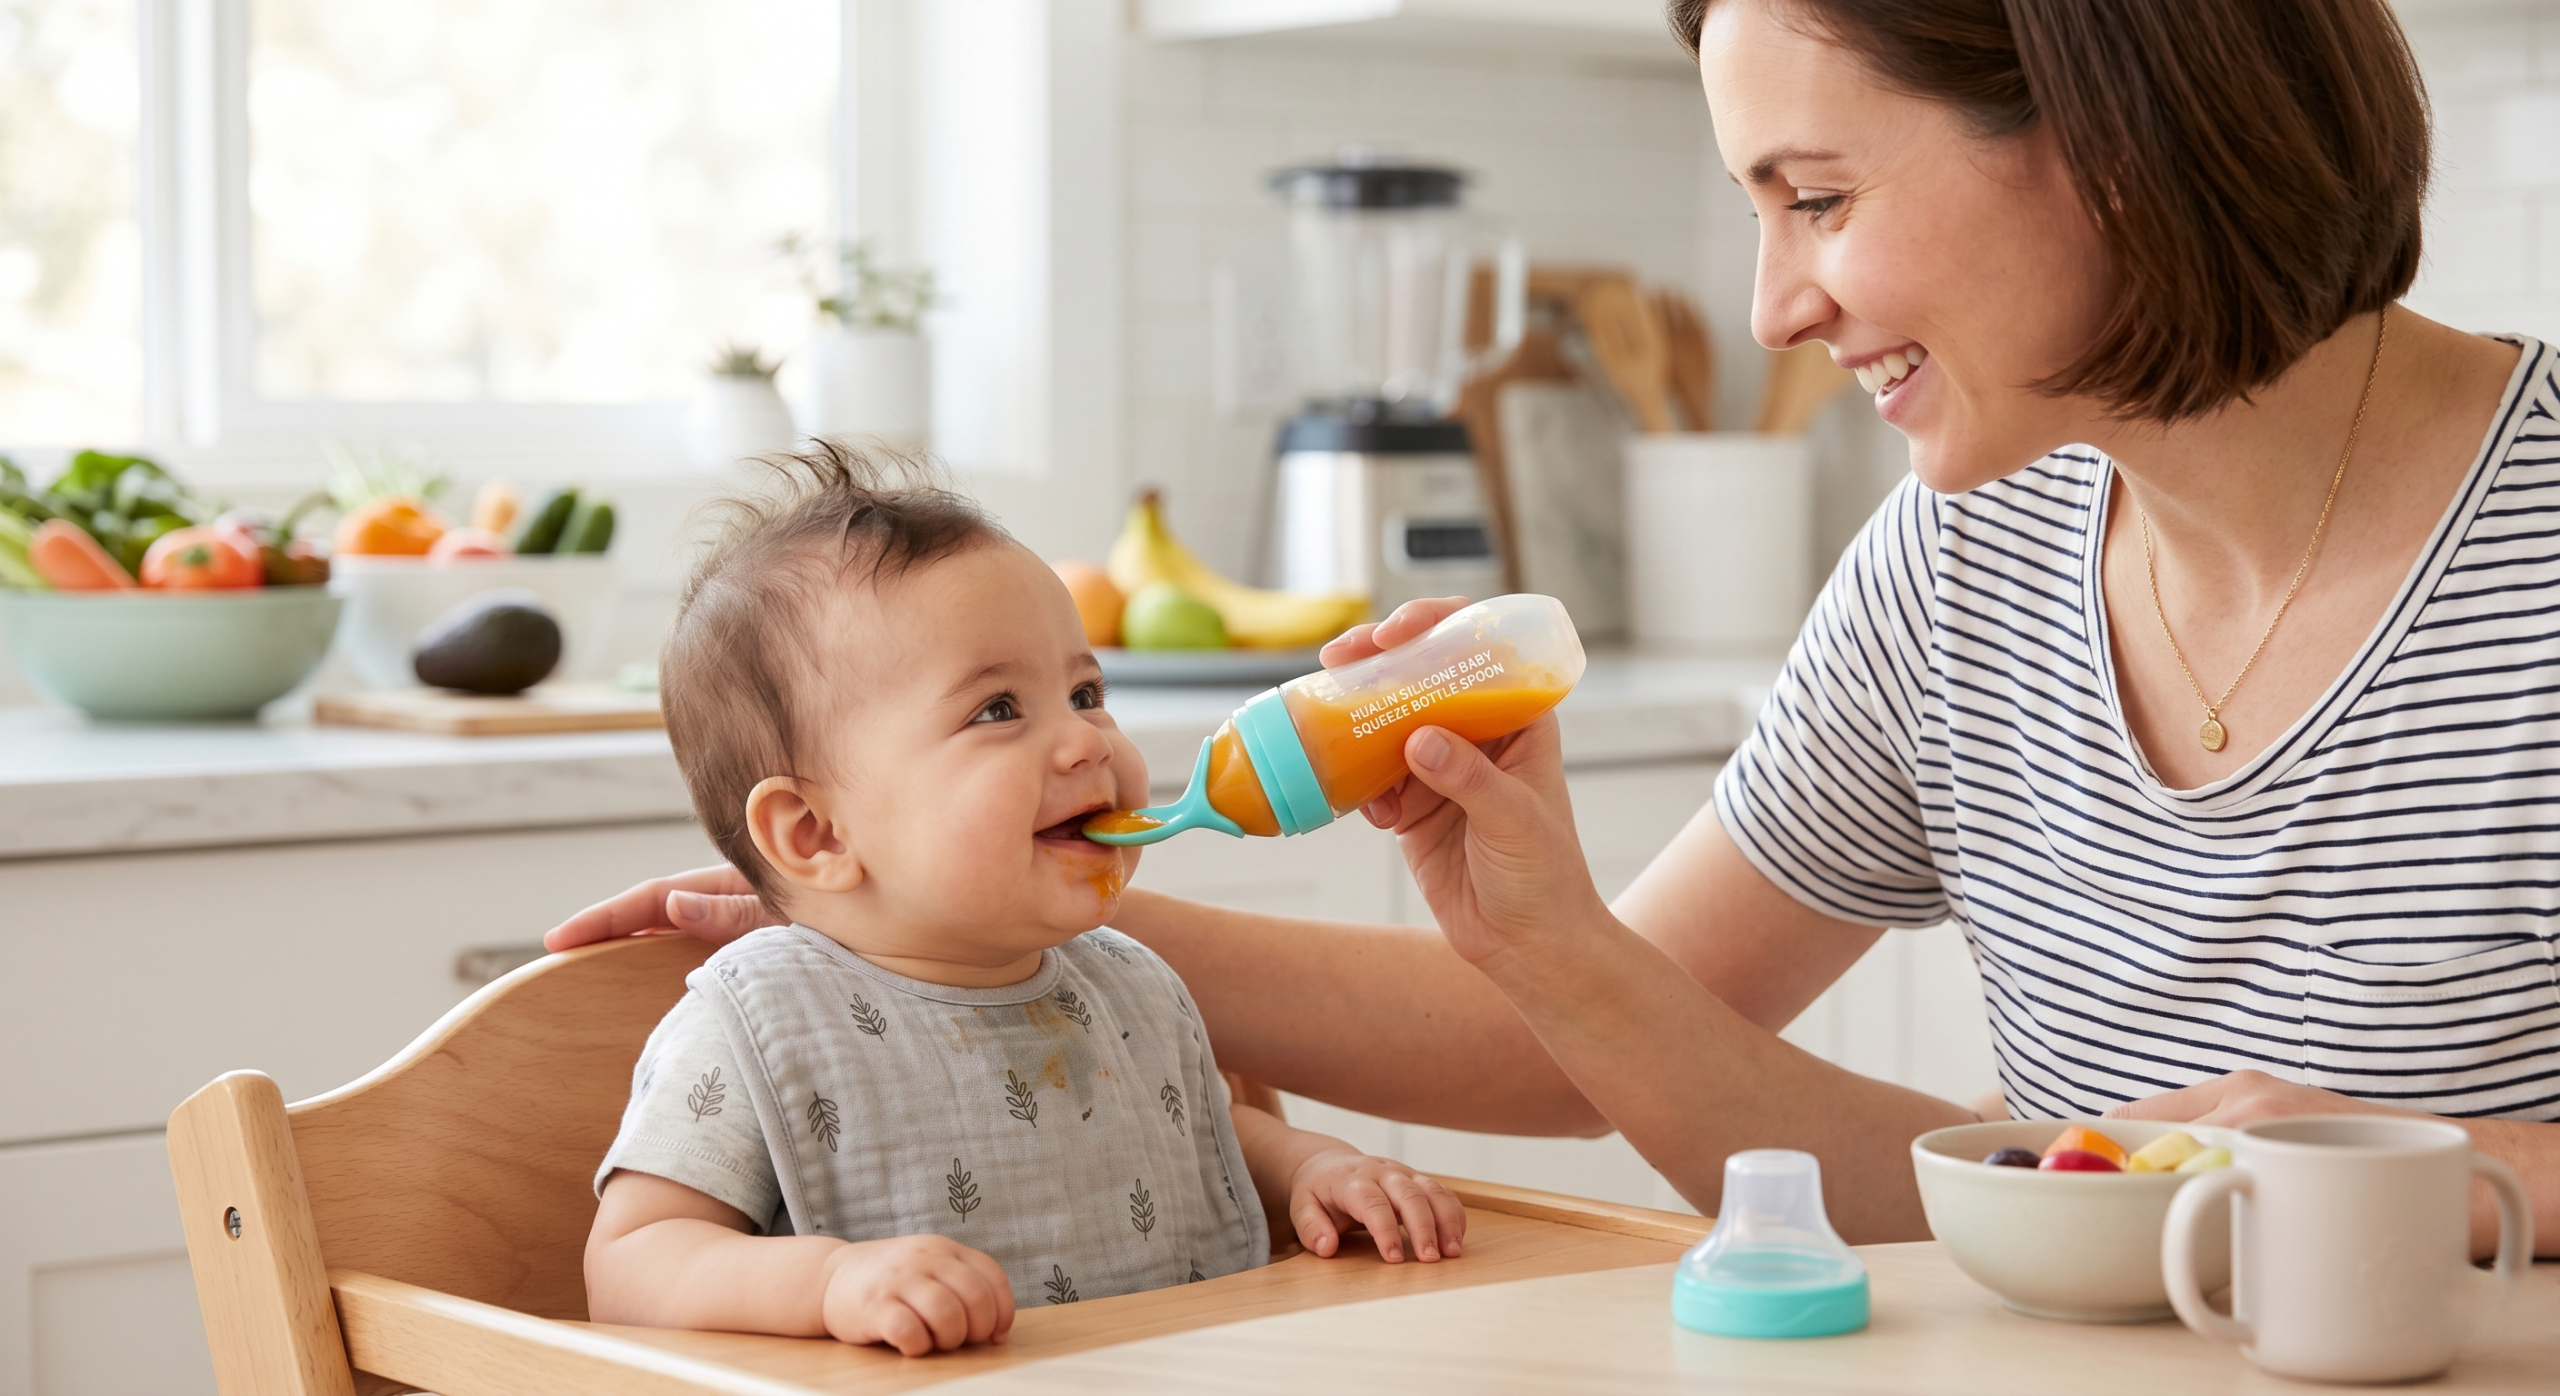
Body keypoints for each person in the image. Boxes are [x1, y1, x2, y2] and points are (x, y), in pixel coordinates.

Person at [555, 0, 2556, 1254]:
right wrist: (969, 921)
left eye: (1815, 194)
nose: (1771, 302)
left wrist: (2455, 1166)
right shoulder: (1962, 571)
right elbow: (1613, 1044)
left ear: (2111, 128)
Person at [582, 447, 1463, 1357]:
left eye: (1085, 693)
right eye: (998, 710)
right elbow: (634, 1260)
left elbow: (1186, 1133)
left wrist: (1315, 1169)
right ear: (817, 834)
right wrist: (833, 1281)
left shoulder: (1131, 985)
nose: (1084, 741)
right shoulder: (759, 1021)